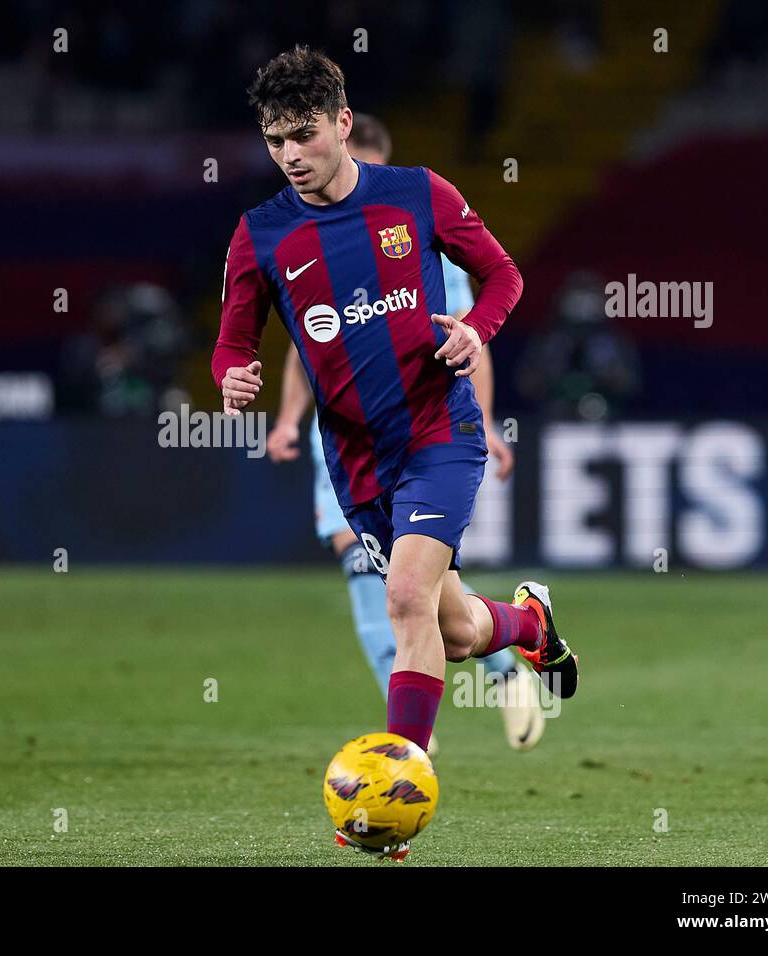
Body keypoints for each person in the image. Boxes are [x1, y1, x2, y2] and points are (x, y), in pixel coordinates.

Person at [212, 47, 579, 851]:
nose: (291, 156)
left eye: (304, 134)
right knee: (450, 632)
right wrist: (233, 377)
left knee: (406, 599)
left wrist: (472, 332)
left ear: (343, 124)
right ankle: (527, 624)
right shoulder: (262, 234)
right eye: (275, 141)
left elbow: (504, 277)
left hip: (438, 435)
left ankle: (396, 791)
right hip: (355, 462)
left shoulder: (416, 194)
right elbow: (233, 341)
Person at [263, 112, 542, 756]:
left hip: (421, 430)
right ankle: (436, 711)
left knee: (412, 592)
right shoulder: (297, 236)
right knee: (390, 584)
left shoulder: (412, 232)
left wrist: (487, 420)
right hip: (341, 443)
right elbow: (303, 346)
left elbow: (472, 335)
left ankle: (432, 725)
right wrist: (285, 418)